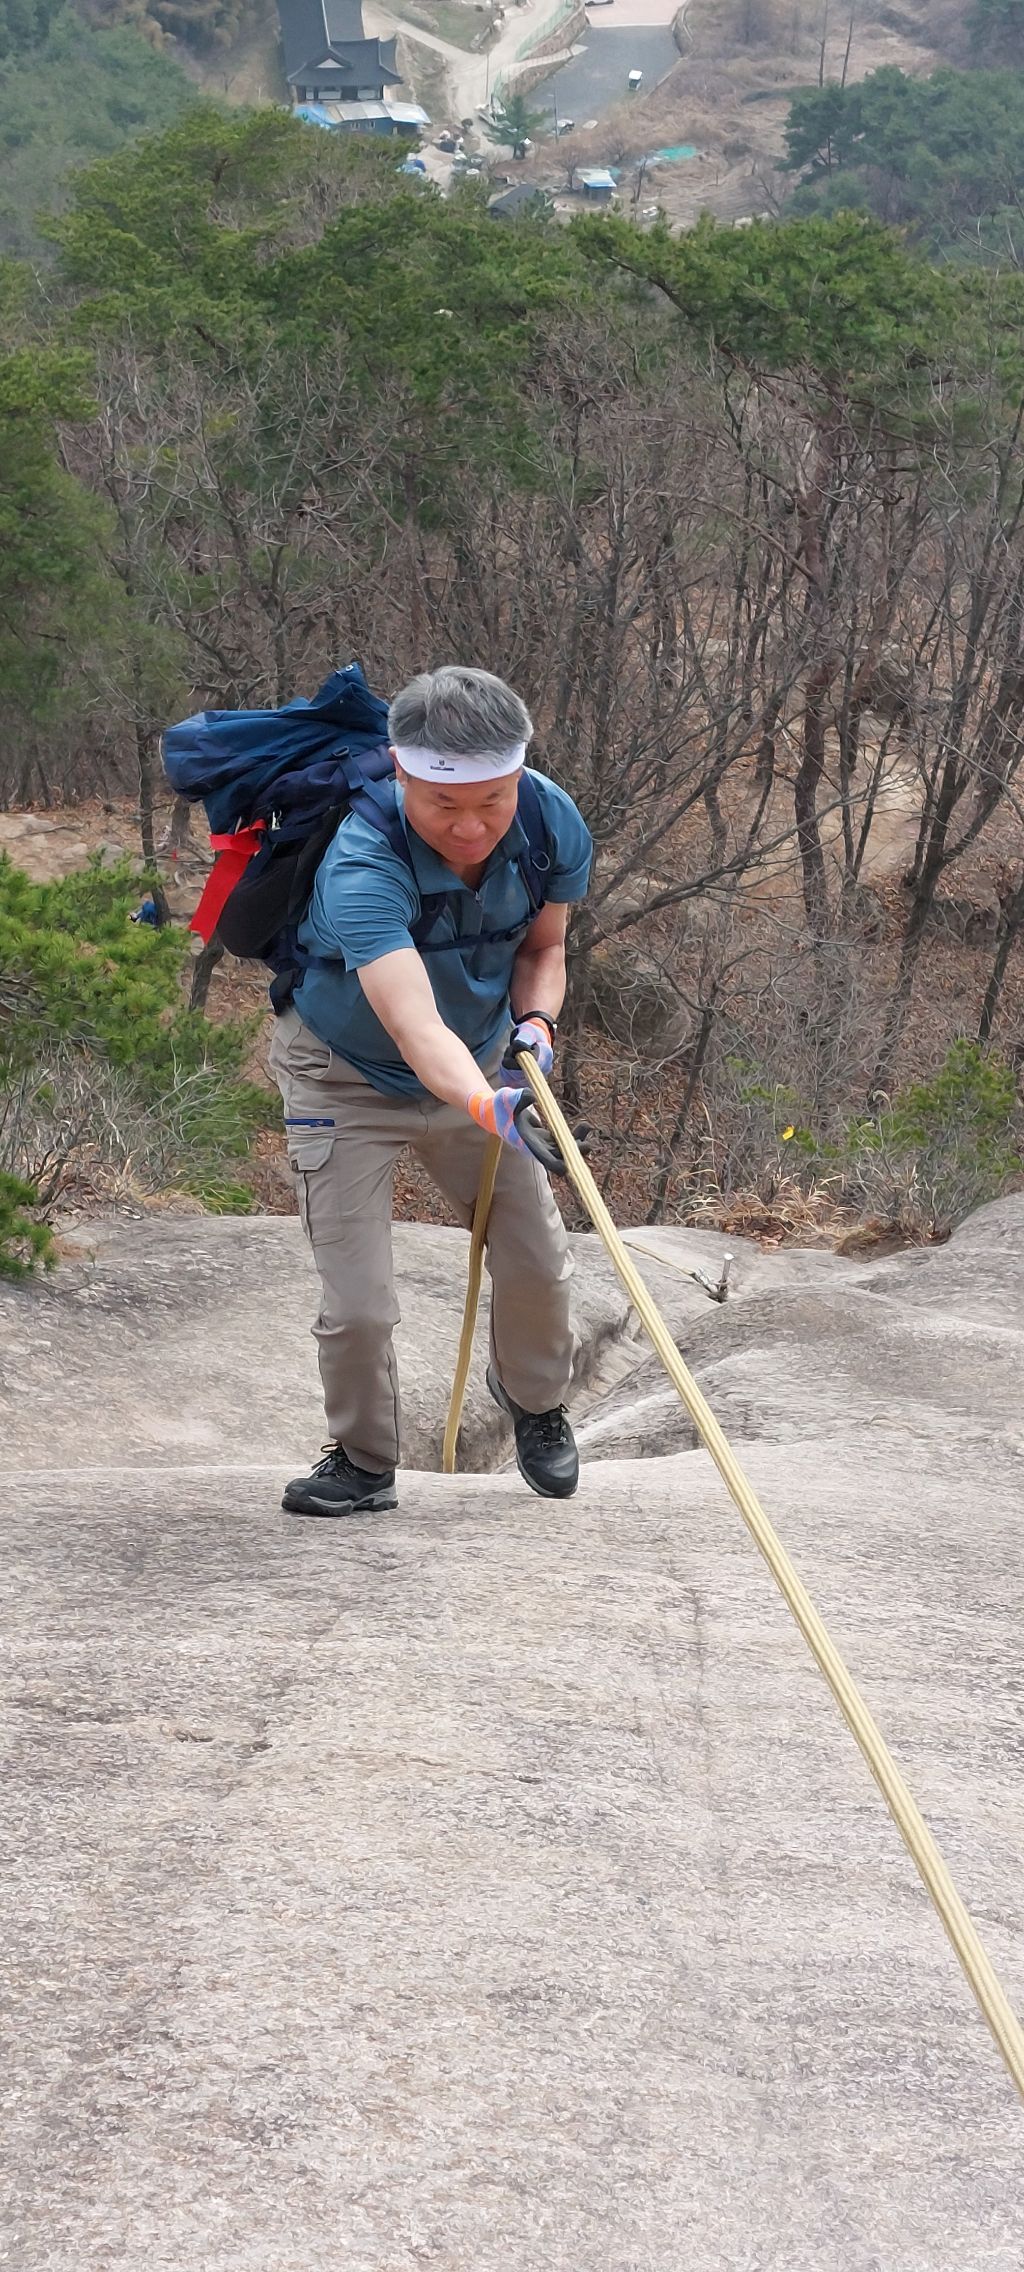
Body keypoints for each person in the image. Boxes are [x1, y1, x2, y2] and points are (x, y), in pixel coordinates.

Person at [269, 664, 594, 1519]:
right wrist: (488, 1103)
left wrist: (537, 1024)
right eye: (445, 803)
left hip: (480, 1064)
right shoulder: (361, 863)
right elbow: (415, 1028)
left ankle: (534, 1400)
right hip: (345, 1076)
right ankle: (363, 1461)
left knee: (538, 1260)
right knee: (359, 1308)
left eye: (493, 799)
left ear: (519, 775)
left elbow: (545, 948)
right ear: (402, 773)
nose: (472, 825)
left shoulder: (549, 822)